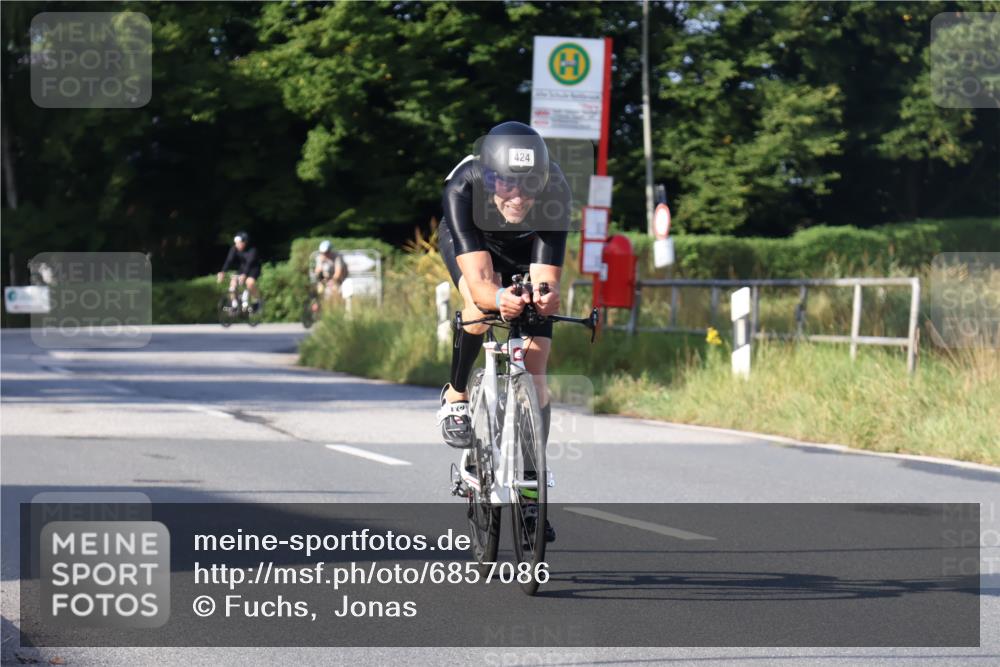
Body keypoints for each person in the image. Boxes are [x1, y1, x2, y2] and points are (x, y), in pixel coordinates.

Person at [436, 121, 571, 541]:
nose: (519, 196)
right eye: (508, 185)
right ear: (490, 176)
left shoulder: (556, 192)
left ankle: (531, 487)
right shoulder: (462, 185)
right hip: (475, 244)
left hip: (526, 250)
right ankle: (456, 394)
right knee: (478, 311)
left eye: (530, 186)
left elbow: (547, 276)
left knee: (534, 360)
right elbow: (479, 282)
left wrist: (545, 297)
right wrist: (498, 300)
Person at [216, 232, 261, 310]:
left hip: (254, 268)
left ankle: (256, 301)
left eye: (239, 243)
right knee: (233, 283)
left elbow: (250, 263)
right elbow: (229, 260)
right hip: (243, 268)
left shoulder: (252, 250)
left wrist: (244, 275)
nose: (237, 245)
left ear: (245, 243)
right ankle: (234, 305)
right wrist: (223, 272)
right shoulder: (234, 248)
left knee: (249, 283)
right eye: (236, 243)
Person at [312, 240, 348, 305]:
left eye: (326, 252)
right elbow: (317, 273)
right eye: (323, 253)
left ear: (330, 250)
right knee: (318, 291)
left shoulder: (337, 257)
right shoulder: (320, 258)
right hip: (325, 280)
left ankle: (336, 306)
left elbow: (338, 272)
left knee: (335, 290)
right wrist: (321, 264)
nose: (325, 254)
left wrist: (332, 281)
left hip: (338, 280)